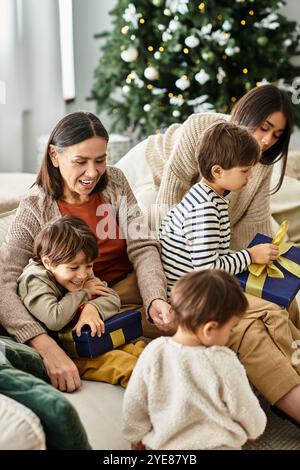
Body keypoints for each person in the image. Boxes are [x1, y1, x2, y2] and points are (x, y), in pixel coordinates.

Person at [119, 84, 300, 427]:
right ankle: (291, 375)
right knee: (267, 316)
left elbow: (248, 226)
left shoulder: (225, 187)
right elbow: (198, 255)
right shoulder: (205, 190)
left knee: (278, 303)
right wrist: (247, 258)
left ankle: (291, 367)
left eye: (276, 135)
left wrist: (262, 258)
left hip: (202, 265)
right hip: (155, 193)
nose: (267, 141)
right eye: (263, 128)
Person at [0, 111, 170, 393]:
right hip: (80, 305)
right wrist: (43, 344)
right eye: (80, 161)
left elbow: (142, 243)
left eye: (100, 160)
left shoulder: (115, 181)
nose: (93, 172)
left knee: (214, 313)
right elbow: (4, 282)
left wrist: (154, 297)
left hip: (125, 290)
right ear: (54, 156)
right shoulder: (34, 208)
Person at [122, 269, 267, 450]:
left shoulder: (154, 351)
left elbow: (134, 401)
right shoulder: (224, 361)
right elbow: (245, 407)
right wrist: (255, 428)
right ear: (210, 329)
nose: (230, 335)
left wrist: (136, 436)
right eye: (230, 329)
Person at [159, 121, 279, 294]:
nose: (251, 176)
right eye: (245, 171)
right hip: (193, 296)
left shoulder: (203, 195)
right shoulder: (205, 209)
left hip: (197, 288)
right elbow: (207, 269)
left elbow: (212, 254)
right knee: (274, 311)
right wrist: (250, 256)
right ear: (217, 172)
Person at [18, 215, 121, 337]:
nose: (83, 275)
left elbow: (113, 297)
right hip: (54, 347)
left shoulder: (81, 268)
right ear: (48, 263)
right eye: (73, 268)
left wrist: (92, 308)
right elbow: (54, 319)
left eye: (89, 266)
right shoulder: (34, 280)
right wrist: (85, 292)